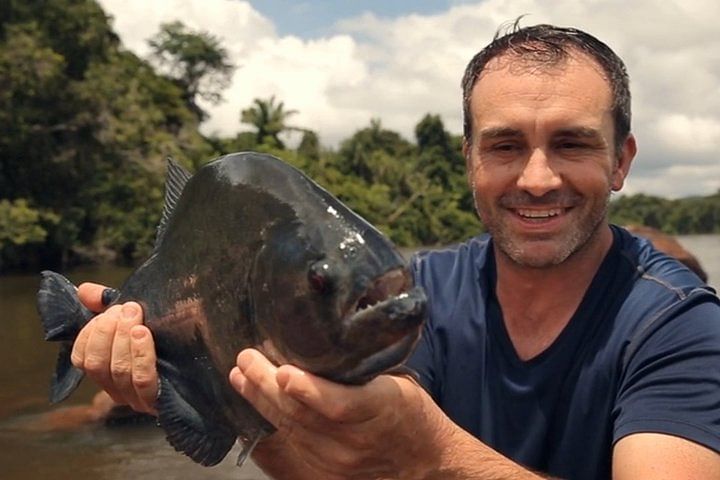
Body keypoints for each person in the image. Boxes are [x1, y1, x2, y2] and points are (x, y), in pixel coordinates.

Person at [69, 22, 720, 479]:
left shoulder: (680, 324)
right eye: (504, 146)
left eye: (573, 143)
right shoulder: (416, 292)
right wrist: (200, 391)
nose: (537, 177)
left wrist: (431, 455)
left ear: (622, 160)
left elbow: (415, 461)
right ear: (468, 160)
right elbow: (343, 472)